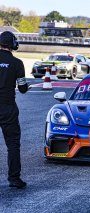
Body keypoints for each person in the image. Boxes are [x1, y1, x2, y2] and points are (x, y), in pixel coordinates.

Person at [0, 31, 29, 188]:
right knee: (12, 144)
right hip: (7, 108)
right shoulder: (17, 63)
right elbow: (23, 88)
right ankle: (14, 178)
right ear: (13, 44)